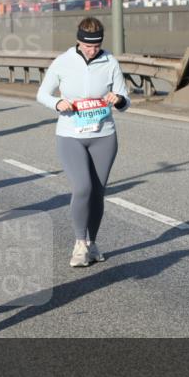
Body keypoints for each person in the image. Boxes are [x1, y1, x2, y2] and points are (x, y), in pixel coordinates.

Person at [36, 17, 130, 268]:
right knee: (82, 188)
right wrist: (57, 103)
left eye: (97, 46)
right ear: (79, 42)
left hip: (104, 136)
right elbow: (42, 94)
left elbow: (125, 100)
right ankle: (79, 244)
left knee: (98, 192)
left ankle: (92, 243)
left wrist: (118, 99)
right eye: (88, 46)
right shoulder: (63, 61)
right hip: (70, 135)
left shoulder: (110, 61)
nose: (92, 50)